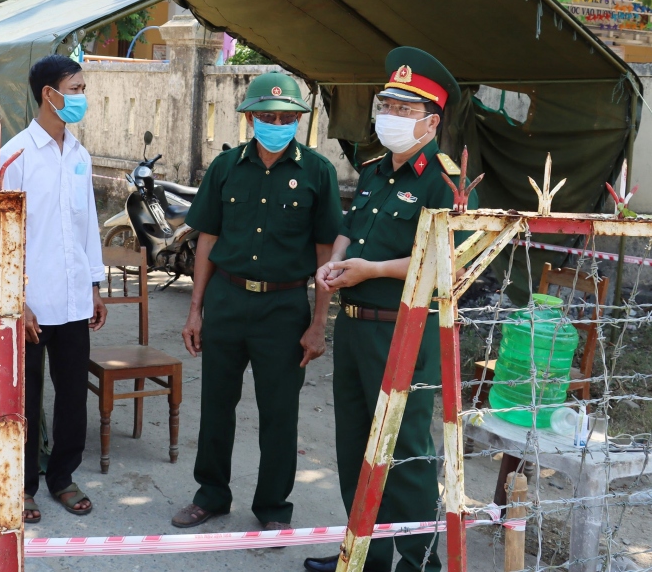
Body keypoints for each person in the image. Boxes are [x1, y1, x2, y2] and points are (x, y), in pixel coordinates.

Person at [305, 47, 477, 572]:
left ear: (431, 121)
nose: (390, 116)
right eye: (387, 104)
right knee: (355, 446)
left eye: (405, 110)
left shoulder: (444, 182)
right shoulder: (376, 170)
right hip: (354, 329)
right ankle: (366, 558)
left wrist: (372, 270)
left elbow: (450, 264)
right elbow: (349, 230)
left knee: (405, 456)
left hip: (405, 332)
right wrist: (335, 263)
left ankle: (419, 561)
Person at [172, 72, 342, 532]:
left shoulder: (318, 172)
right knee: (215, 406)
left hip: (285, 310)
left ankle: (272, 509)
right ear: (249, 118)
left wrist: (318, 323)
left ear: (298, 121)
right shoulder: (225, 168)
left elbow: (327, 252)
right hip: (227, 300)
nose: (277, 123)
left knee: (279, 414)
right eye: (267, 115)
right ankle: (211, 495)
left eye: (287, 117)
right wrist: (196, 310)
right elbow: (207, 238)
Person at [0, 54, 107, 525]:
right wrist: (15, 301)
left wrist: (94, 285)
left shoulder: (80, 154)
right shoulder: (12, 156)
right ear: (48, 95)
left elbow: (87, 226)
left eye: (81, 88)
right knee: (26, 399)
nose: (81, 96)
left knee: (73, 395)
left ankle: (63, 478)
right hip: (31, 304)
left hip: (75, 299)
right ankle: (24, 484)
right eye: (74, 88)